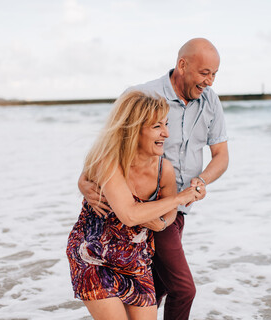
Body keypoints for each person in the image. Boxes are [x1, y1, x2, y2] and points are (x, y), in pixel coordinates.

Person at [79, 38, 229, 320]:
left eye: (214, 75)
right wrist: (83, 180)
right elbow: (107, 144)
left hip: (176, 210)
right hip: (140, 207)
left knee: (157, 283)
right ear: (182, 65)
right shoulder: (142, 95)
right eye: (204, 73)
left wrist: (201, 182)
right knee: (183, 289)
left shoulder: (211, 101)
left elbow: (221, 155)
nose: (210, 81)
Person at [67, 91, 200, 320]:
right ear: (134, 128)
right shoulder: (108, 162)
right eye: (157, 126)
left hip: (136, 260)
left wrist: (160, 223)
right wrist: (180, 197)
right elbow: (129, 215)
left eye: (166, 124)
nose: (166, 134)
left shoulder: (163, 170)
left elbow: (168, 215)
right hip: (95, 255)